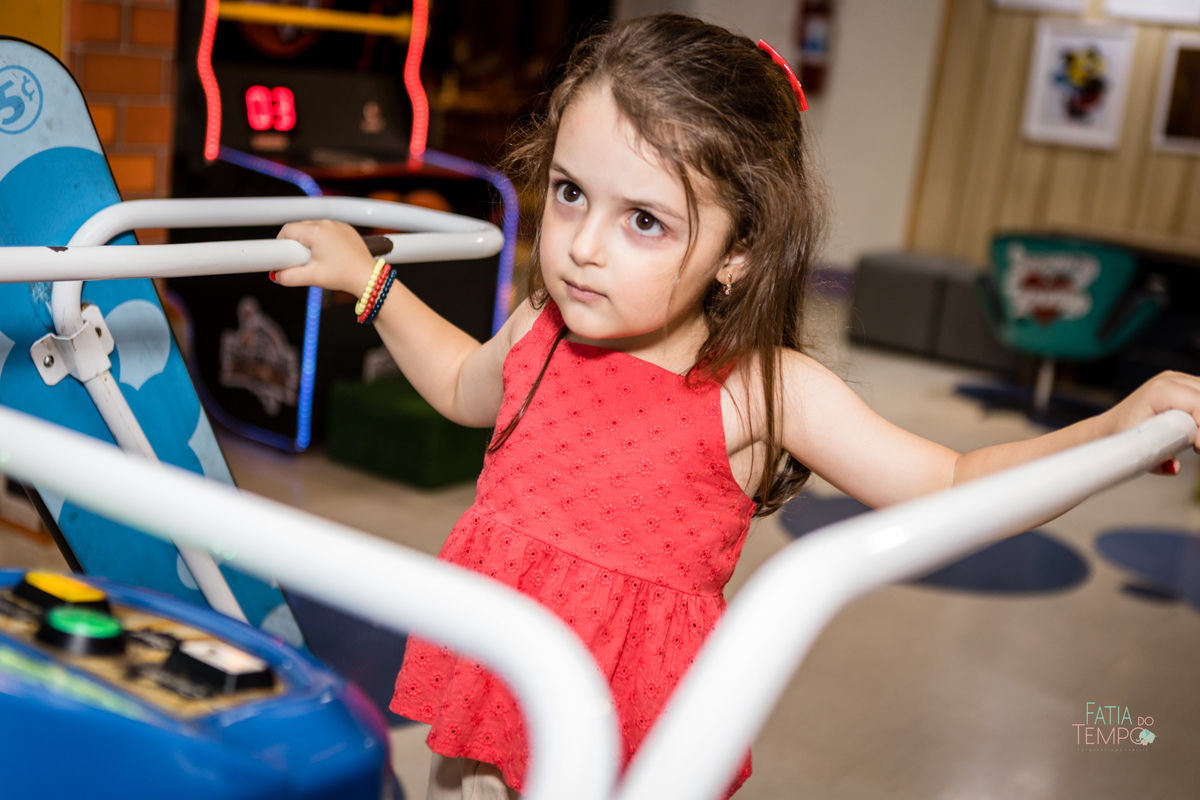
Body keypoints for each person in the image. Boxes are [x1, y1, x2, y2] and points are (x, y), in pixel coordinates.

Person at [273, 13, 1200, 799]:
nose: (583, 247)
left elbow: (951, 482)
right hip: (488, 714)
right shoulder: (542, 326)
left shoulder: (762, 387)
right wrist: (372, 283)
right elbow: (463, 386)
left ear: (740, 250)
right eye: (569, 194)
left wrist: (1111, 429)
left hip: (631, 751)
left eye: (644, 220)